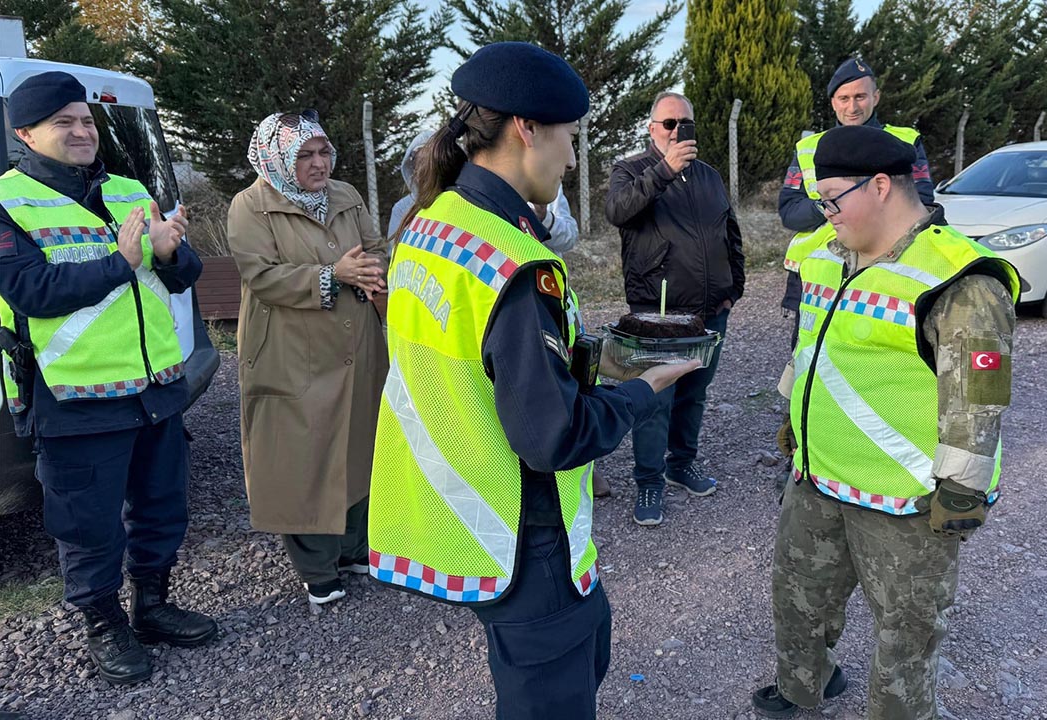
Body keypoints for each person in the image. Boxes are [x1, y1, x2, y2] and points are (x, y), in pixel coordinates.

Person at [366, 42, 700, 720]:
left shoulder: (430, 225)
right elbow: (553, 436)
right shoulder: (514, 264)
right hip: (522, 529)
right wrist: (646, 389)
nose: (573, 158)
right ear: (527, 129)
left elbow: (474, 357)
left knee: (570, 658)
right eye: (570, 138)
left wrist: (588, 357)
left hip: (462, 506)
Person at [753, 125, 1020, 719]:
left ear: (880, 186)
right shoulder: (827, 256)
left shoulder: (960, 279)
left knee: (906, 636)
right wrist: (794, 420)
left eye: (832, 199)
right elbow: (812, 351)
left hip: (908, 503)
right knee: (799, 599)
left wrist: (960, 492)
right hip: (820, 477)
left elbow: (979, 398)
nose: (822, 214)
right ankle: (802, 688)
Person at [0, 71, 216, 687]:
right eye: (63, 122)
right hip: (75, 398)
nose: (81, 131)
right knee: (87, 526)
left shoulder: (127, 190)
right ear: (25, 134)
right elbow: (31, 292)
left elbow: (181, 273)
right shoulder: (6, 202)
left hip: (154, 387)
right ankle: (103, 624)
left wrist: (173, 252)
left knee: (161, 509)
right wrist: (119, 262)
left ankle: (152, 606)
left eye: (87, 121)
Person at [226, 111, 389, 605]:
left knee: (362, 439)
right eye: (304, 155)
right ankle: (317, 569)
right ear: (276, 157)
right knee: (303, 455)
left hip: (356, 341)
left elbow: (375, 246)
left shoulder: (345, 195)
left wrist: (373, 267)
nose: (319, 164)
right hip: (291, 348)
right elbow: (263, 276)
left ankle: (353, 549)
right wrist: (334, 273)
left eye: (323, 152)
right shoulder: (250, 205)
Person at [604, 91, 745, 526]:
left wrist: (734, 287)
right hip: (658, 313)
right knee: (655, 397)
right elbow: (618, 211)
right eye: (668, 123)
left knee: (694, 393)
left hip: (709, 312)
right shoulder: (630, 170)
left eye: (685, 122)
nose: (677, 130)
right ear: (652, 129)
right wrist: (664, 171)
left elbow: (730, 231)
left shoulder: (709, 176)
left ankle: (681, 462)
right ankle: (649, 479)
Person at [777, 57, 935, 349]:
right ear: (833, 102)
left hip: (884, 265)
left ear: (875, 97)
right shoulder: (807, 148)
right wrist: (830, 206)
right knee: (809, 356)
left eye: (860, 96)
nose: (853, 107)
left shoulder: (904, 141)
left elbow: (922, 202)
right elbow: (789, 212)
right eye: (844, 98)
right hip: (815, 272)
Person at [389, 131, 579, 255]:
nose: (425, 169)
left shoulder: (547, 185)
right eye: (418, 163)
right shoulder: (405, 209)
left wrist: (544, 219)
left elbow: (569, 238)